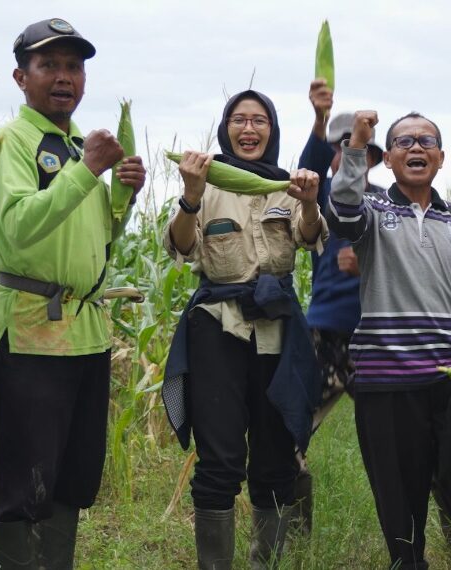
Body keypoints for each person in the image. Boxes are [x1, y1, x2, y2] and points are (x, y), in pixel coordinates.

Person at [0, 18, 146, 568]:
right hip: (30, 334)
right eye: (48, 64)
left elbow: (97, 243)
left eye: (73, 66)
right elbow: (20, 226)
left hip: (84, 336)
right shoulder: (10, 143)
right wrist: (87, 169)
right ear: (20, 77)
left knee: (70, 479)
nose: (64, 77)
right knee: (22, 481)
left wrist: (122, 198)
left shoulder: (76, 145)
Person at [327, 110, 451, 569]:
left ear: (440, 157)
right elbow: (341, 213)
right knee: (400, 501)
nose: (416, 148)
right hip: (385, 384)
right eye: (403, 142)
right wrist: (356, 145)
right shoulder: (372, 211)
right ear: (389, 160)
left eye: (426, 141)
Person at [161, 89, 326, 569]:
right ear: (225, 128)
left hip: (277, 331)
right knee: (220, 460)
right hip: (218, 329)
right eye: (239, 120)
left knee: (275, 460)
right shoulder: (205, 184)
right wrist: (191, 196)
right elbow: (181, 249)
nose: (249, 129)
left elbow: (309, 236)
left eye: (259, 121)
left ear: (272, 130)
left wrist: (311, 202)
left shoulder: (286, 186)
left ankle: (264, 563)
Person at [294, 79, 385, 533]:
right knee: (289, 430)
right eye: (341, 148)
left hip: (379, 336)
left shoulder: (389, 202)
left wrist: (367, 267)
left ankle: (449, 528)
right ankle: (287, 538)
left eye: (360, 150)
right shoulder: (323, 197)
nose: (349, 157)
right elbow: (304, 171)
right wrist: (319, 117)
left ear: (372, 158)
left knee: (407, 437)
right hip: (326, 332)